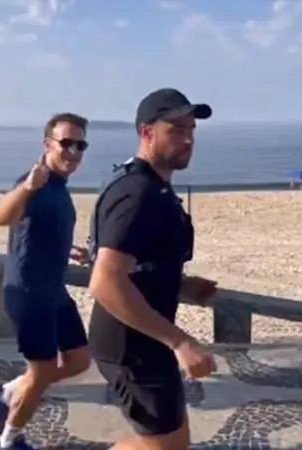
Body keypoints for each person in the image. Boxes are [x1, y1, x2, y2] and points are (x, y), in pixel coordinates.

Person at [87, 88, 220, 450]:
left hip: (141, 336)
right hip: (132, 344)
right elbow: (104, 280)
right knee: (166, 446)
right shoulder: (138, 193)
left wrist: (180, 283)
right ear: (147, 132)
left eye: (191, 129)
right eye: (177, 129)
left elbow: (137, 261)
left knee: (169, 442)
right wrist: (180, 341)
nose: (189, 138)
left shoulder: (148, 185)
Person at [0, 113, 93, 450]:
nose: (73, 151)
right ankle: (10, 439)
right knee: (42, 371)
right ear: (48, 144)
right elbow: (0, 217)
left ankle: (6, 393)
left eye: (80, 144)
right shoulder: (35, 181)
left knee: (79, 360)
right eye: (66, 143)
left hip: (53, 291)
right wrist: (27, 187)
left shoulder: (59, 187)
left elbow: (38, 229)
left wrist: (70, 251)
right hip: (29, 293)